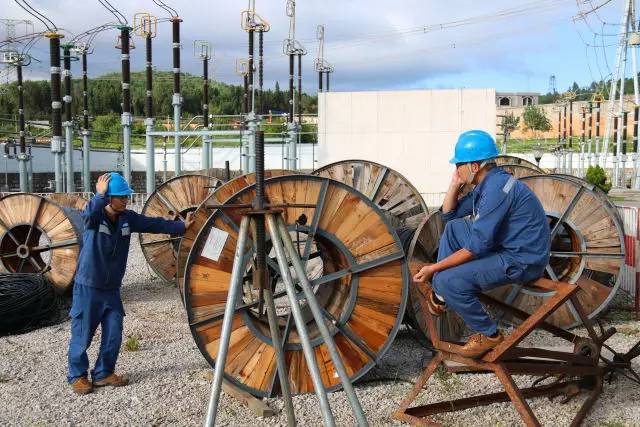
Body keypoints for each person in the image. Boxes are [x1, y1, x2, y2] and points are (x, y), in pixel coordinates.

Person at [413, 130, 550, 358]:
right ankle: (441, 295)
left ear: (475, 166)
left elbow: (475, 247)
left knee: (448, 279)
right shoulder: (488, 183)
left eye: (459, 165)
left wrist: (434, 269)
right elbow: (449, 215)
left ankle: (488, 334)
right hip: (506, 245)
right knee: (455, 228)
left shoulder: (496, 190)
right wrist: (455, 183)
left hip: (521, 259)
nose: (456, 169)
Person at [67, 172, 195, 394]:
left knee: (114, 332)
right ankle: (77, 376)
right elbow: (87, 215)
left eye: (126, 196)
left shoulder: (127, 218)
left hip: (111, 289)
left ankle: (103, 373)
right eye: (121, 197)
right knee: (82, 333)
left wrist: (181, 227)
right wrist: (99, 194)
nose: (126, 200)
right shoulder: (95, 217)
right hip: (89, 286)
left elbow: (153, 224)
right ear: (109, 198)